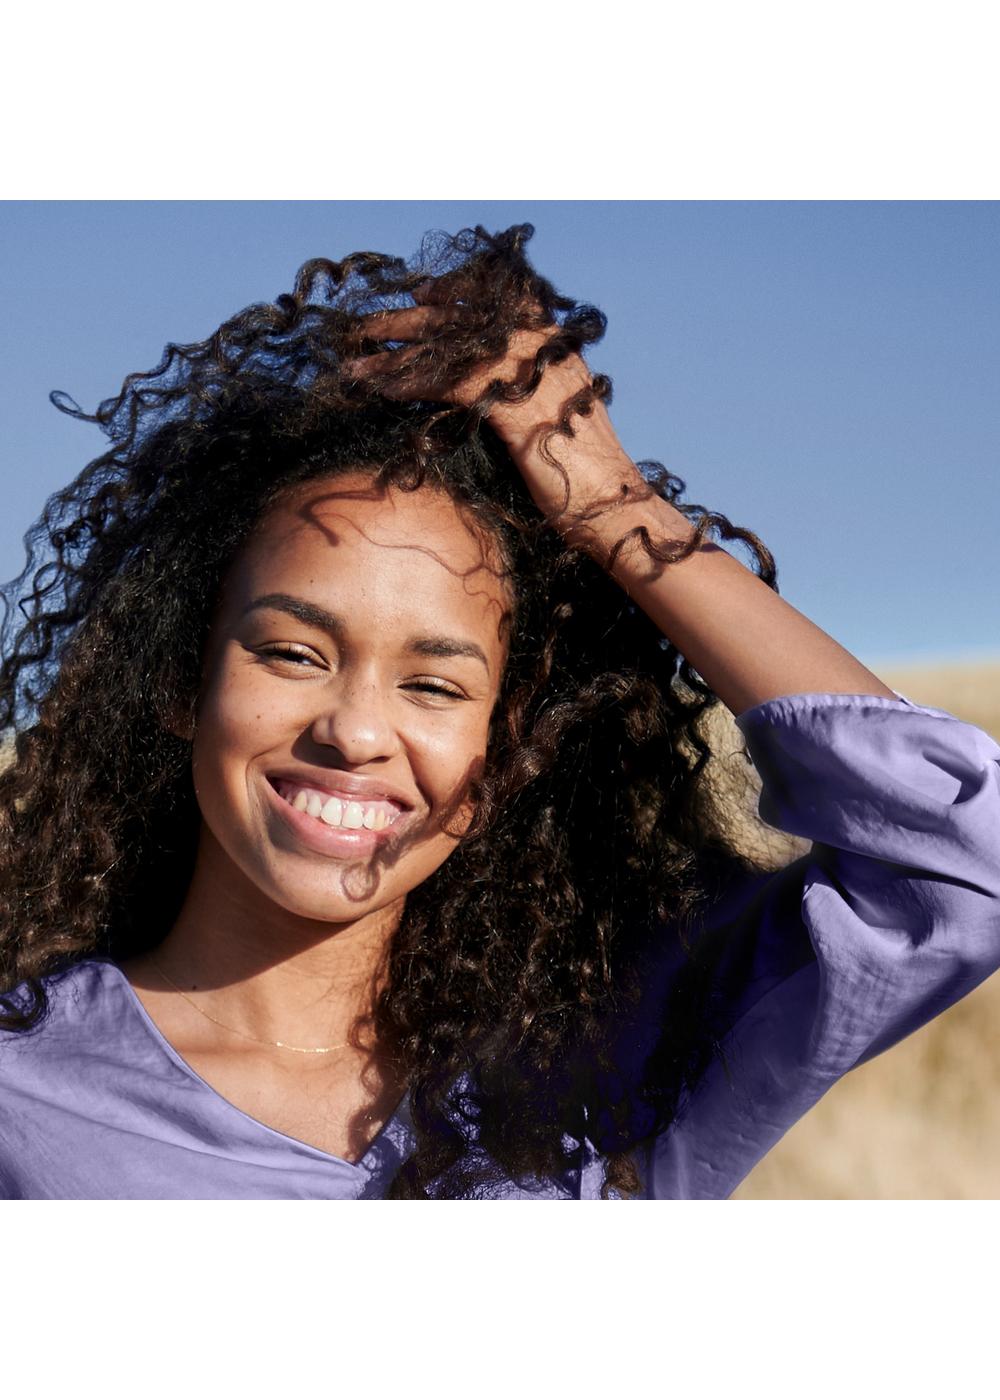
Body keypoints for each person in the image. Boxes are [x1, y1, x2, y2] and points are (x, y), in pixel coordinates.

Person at [1, 223, 997, 1200]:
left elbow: (958, 862)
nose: (352, 729)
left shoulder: (603, 1081)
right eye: (293, 653)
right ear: (184, 683)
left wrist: (611, 506)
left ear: (508, 743)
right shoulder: (24, 1088)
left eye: (433, 683)